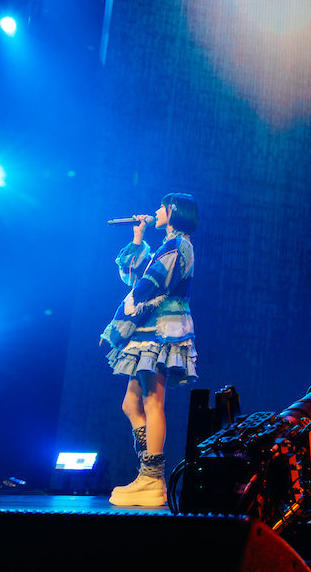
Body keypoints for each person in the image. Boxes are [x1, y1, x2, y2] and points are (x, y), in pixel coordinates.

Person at [99, 193, 199, 507]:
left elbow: (148, 287)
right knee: (131, 404)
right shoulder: (168, 246)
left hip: (161, 330)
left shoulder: (178, 246)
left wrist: (118, 323)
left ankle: (152, 477)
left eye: (161, 207)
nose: (155, 211)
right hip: (150, 329)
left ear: (172, 211)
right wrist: (138, 238)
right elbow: (138, 278)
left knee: (153, 401)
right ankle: (149, 473)